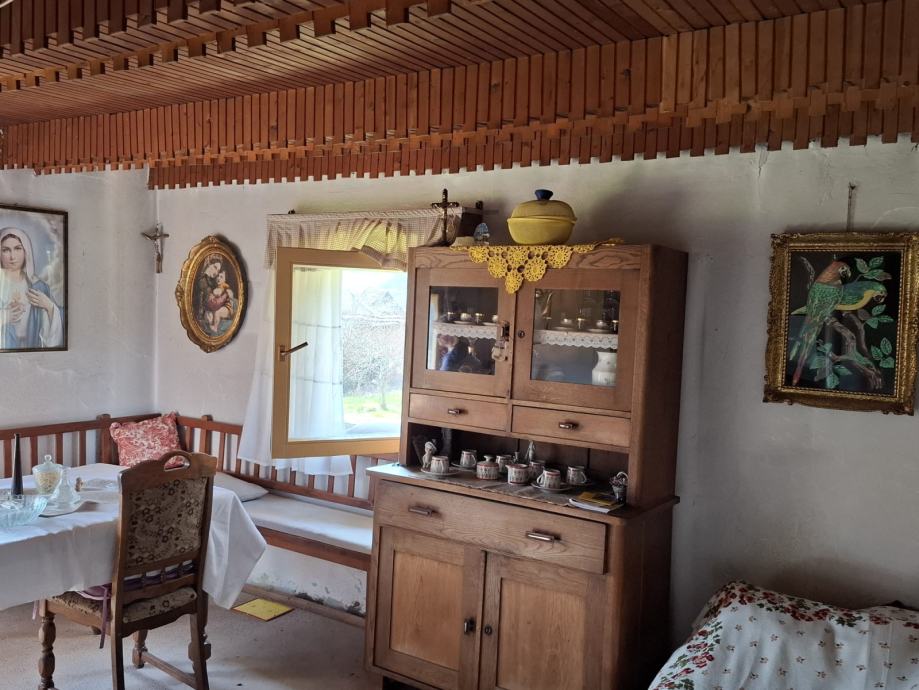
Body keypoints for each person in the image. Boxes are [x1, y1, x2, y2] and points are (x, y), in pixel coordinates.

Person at [0, 228, 63, 349]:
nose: (12, 256)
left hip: (34, 350)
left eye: (18, 248)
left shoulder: (39, 286)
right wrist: (3, 317)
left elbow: (54, 338)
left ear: (26, 251)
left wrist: (50, 307)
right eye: (6, 250)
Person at [205, 269, 235, 334]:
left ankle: (215, 327)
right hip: (217, 306)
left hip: (227, 308)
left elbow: (230, 299)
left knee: (217, 312)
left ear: (225, 279)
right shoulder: (216, 288)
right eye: (218, 276)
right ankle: (210, 324)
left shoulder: (226, 288)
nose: (218, 278)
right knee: (209, 313)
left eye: (221, 277)